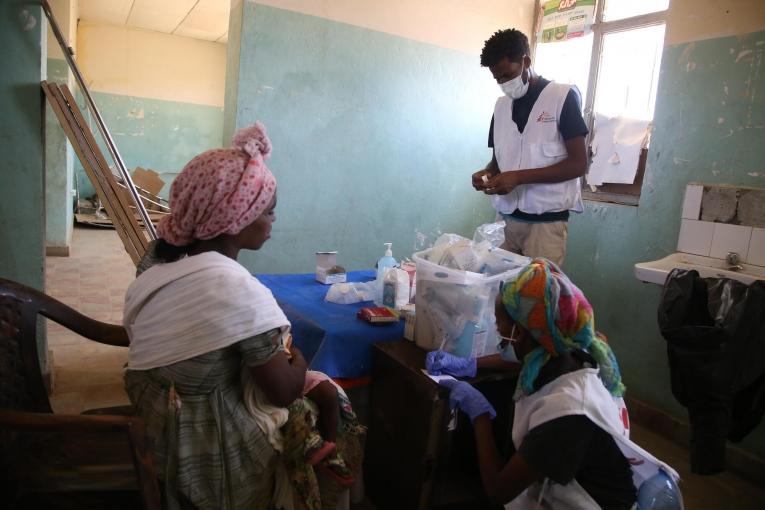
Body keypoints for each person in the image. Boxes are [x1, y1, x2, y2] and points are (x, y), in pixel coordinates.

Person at [123, 123, 363, 510]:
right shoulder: (233, 289)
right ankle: (320, 481)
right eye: (267, 211)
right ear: (235, 219)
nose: (273, 221)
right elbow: (282, 391)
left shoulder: (158, 262)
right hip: (203, 447)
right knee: (325, 393)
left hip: (157, 415)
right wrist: (299, 361)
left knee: (319, 391)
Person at [427, 259, 681, 509]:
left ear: (520, 333)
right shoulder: (579, 352)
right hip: (570, 483)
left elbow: (497, 491)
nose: (496, 329)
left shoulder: (569, 414)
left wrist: (480, 415)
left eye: (499, 323)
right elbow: (525, 358)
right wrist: (473, 364)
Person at [471, 29, 589, 265]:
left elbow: (578, 164)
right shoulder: (501, 107)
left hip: (545, 225)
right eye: (498, 79)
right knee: (499, 293)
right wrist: (487, 173)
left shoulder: (561, 97)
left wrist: (519, 177)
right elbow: (499, 161)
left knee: (536, 296)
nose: (504, 83)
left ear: (526, 61)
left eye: (508, 74)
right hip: (505, 222)